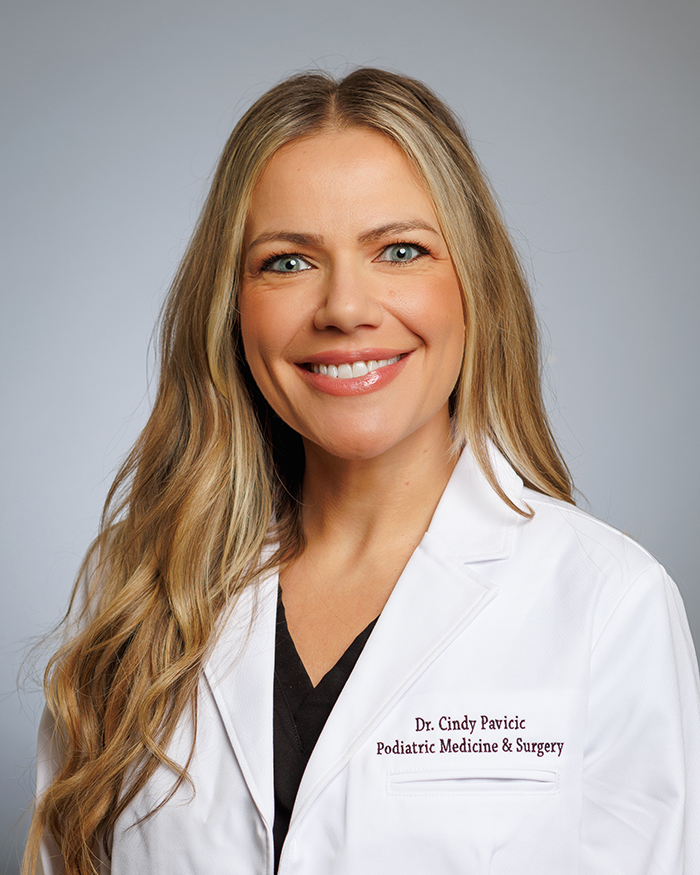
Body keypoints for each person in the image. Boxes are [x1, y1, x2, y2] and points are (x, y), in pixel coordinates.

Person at [25, 68, 700, 875]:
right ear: (231, 307)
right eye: (287, 262)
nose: (345, 306)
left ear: (473, 286)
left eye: (400, 250)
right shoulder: (140, 598)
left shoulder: (609, 606)